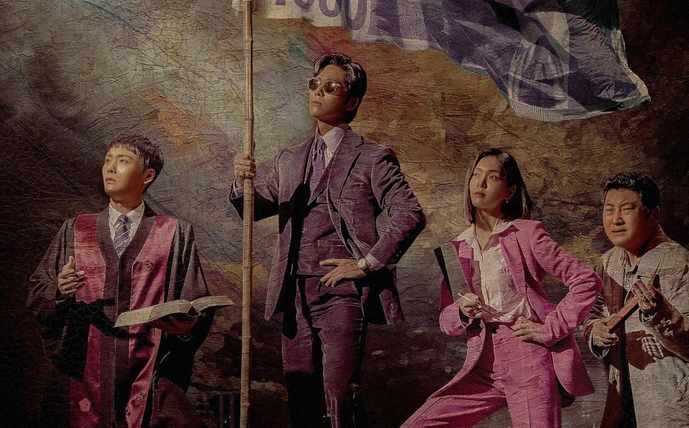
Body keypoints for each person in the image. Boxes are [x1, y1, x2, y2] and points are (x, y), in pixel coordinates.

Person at [230, 52, 425, 427]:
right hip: (293, 294)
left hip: (342, 295)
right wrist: (242, 182)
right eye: (314, 84)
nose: (318, 91)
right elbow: (253, 208)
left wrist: (366, 263)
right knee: (300, 399)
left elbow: (410, 213)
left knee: (339, 398)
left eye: (330, 87)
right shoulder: (290, 159)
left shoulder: (372, 157)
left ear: (351, 102)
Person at [402, 148, 601, 428]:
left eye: (492, 177)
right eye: (476, 175)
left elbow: (586, 281)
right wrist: (461, 311)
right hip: (482, 364)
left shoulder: (527, 234)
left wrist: (549, 329)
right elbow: (447, 322)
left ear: (510, 191)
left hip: (528, 358)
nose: (480, 183)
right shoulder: (455, 248)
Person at [28, 134, 213, 428]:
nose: (110, 168)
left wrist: (186, 328)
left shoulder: (174, 233)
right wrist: (60, 291)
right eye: (108, 160)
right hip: (85, 372)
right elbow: (38, 293)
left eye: (123, 161)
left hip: (151, 374)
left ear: (147, 176)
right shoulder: (76, 230)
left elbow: (196, 303)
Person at [582, 171, 689, 427]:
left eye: (626, 209)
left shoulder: (683, 265)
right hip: (624, 405)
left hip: (678, 406)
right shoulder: (608, 263)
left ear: (653, 214)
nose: (616, 219)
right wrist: (596, 331)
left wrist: (659, 313)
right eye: (609, 210)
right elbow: (593, 315)